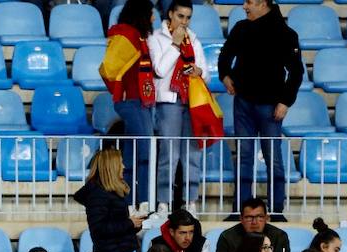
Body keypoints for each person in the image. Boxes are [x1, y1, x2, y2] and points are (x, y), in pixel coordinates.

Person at [218, 0, 303, 219]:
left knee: (272, 157)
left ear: (263, 3)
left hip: (270, 106)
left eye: (249, 2)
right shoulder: (240, 28)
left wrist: (285, 101)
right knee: (244, 156)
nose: (244, 6)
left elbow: (296, 72)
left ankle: (276, 210)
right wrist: (225, 75)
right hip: (243, 103)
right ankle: (240, 210)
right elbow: (224, 56)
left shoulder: (286, 33)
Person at [148, 0, 208, 216]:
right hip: (169, 102)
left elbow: (207, 75)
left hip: (191, 101)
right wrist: (174, 44)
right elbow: (160, 70)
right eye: (180, 16)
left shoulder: (194, 38)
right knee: (169, 154)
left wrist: (198, 71)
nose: (184, 21)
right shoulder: (155, 38)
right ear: (170, 15)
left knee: (192, 155)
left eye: (188, 17)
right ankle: (164, 202)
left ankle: (190, 201)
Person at [101, 0, 157, 209]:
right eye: (151, 13)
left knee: (132, 156)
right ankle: (143, 202)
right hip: (131, 101)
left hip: (139, 102)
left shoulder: (137, 36)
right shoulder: (127, 35)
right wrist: (119, 89)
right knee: (145, 153)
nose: (153, 18)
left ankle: (129, 202)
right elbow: (108, 68)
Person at [75, 147, 143, 252]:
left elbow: (114, 225)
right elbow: (99, 228)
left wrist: (133, 224)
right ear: (111, 167)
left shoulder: (109, 193)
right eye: (120, 163)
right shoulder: (98, 194)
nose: (123, 167)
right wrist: (129, 223)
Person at [212, 198, 293, 252]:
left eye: (259, 217)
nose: (254, 222)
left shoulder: (279, 236)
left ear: (266, 218)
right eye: (249, 217)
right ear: (241, 219)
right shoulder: (227, 237)